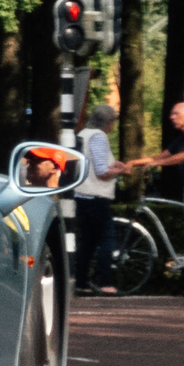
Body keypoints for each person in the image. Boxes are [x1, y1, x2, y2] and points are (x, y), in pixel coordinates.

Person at [132, 101, 184, 295]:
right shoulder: (182, 138)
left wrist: (159, 163)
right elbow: (159, 157)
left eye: (176, 113)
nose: (172, 117)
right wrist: (132, 163)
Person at [73, 104, 125, 294]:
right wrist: (120, 170)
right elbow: (102, 171)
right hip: (96, 196)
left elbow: (90, 162)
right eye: (113, 122)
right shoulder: (99, 137)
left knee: (87, 241)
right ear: (108, 122)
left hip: (81, 195)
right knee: (107, 238)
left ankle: (81, 282)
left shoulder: (83, 134)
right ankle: (106, 283)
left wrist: (114, 164)